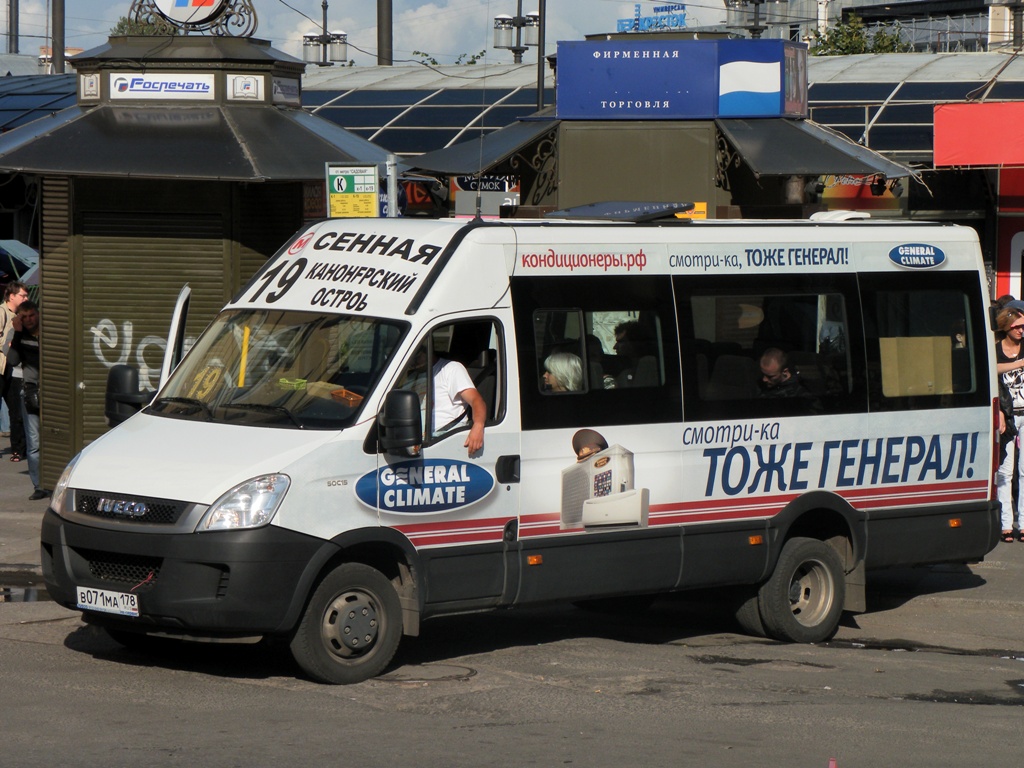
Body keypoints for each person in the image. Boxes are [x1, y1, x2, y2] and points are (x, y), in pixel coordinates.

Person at [401, 345, 486, 456]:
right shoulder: (411, 377)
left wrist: (478, 426)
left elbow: (476, 400)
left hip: (442, 442)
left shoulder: (450, 369)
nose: (413, 362)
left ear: (428, 350)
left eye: (417, 356)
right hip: (414, 444)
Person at [995, 306, 1024, 542]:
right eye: (1017, 326)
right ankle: (1006, 523)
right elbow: (992, 371)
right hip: (1007, 414)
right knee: (1005, 472)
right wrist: (1019, 364)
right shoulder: (995, 350)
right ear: (1007, 326)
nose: (1021, 330)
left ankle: (1023, 524)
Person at [13, 301, 46, 500]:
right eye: (23, 317)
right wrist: (17, 333)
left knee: (56, 438)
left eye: (31, 315)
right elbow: (12, 360)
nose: (28, 320)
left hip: (53, 392)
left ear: (38, 313)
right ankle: (39, 485)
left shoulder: (49, 332)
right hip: (31, 391)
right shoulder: (19, 335)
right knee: (34, 443)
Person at [0, 281, 29, 462]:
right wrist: (8, 345)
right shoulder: (1, 312)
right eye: (23, 296)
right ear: (12, 296)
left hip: (14, 369)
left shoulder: (20, 315)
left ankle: (18, 449)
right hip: (2, 367)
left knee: (16, 411)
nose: (26, 298)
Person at [612, 320, 657, 387]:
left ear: (635, 343)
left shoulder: (648, 363)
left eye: (621, 342)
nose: (615, 347)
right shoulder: (626, 369)